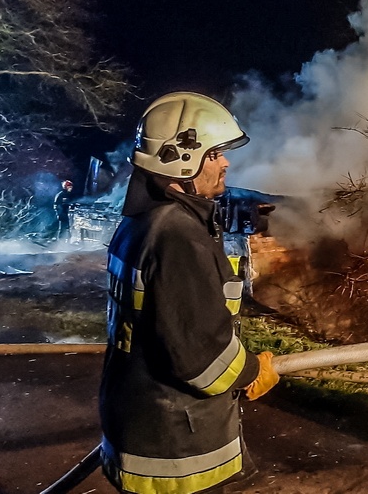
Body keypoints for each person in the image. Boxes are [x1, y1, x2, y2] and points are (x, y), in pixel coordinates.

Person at [99, 91, 280, 493]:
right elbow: (200, 356)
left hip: (140, 418)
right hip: (177, 450)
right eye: (214, 154)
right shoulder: (178, 237)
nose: (226, 162)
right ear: (183, 161)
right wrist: (250, 371)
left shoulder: (141, 224)